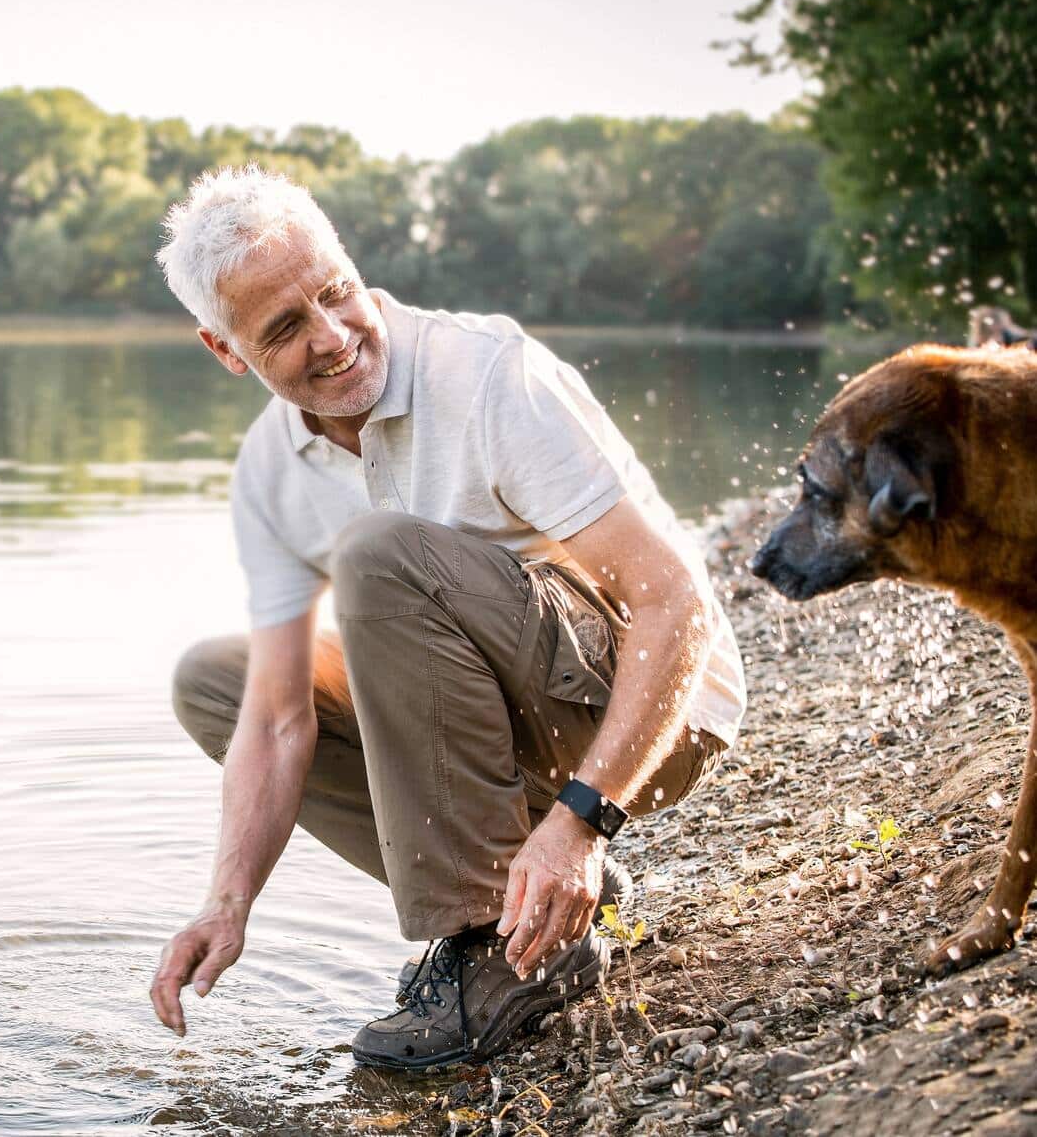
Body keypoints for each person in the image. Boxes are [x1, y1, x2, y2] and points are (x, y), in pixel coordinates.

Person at [146, 166, 746, 1070]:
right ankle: (511, 915)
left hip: (654, 711)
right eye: (284, 329)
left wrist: (583, 819)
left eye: (335, 292)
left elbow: (676, 604)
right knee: (219, 685)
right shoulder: (269, 472)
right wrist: (226, 902)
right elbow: (275, 722)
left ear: (349, 261)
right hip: (510, 714)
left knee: (379, 555)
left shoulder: (488, 373)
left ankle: (505, 957)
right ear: (226, 352)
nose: (336, 337)